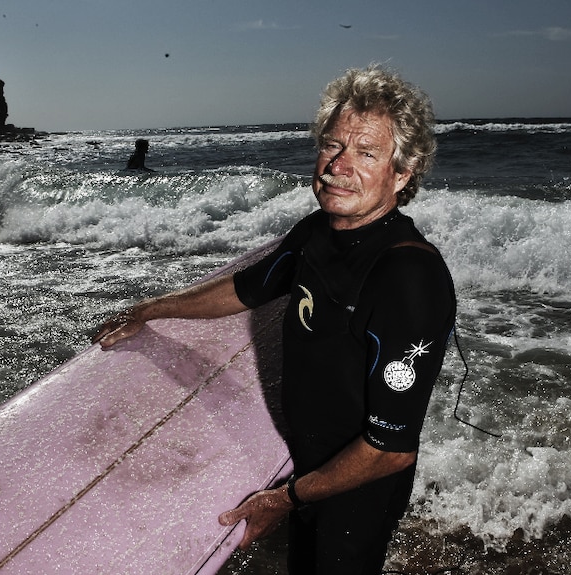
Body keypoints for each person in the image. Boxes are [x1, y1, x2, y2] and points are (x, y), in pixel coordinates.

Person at [93, 65, 456, 574]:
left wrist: (283, 499)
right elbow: (247, 287)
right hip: (306, 465)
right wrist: (150, 309)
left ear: (403, 171)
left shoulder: (408, 276)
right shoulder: (318, 233)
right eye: (331, 146)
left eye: (366, 153)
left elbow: (391, 448)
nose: (337, 165)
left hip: (356, 488)